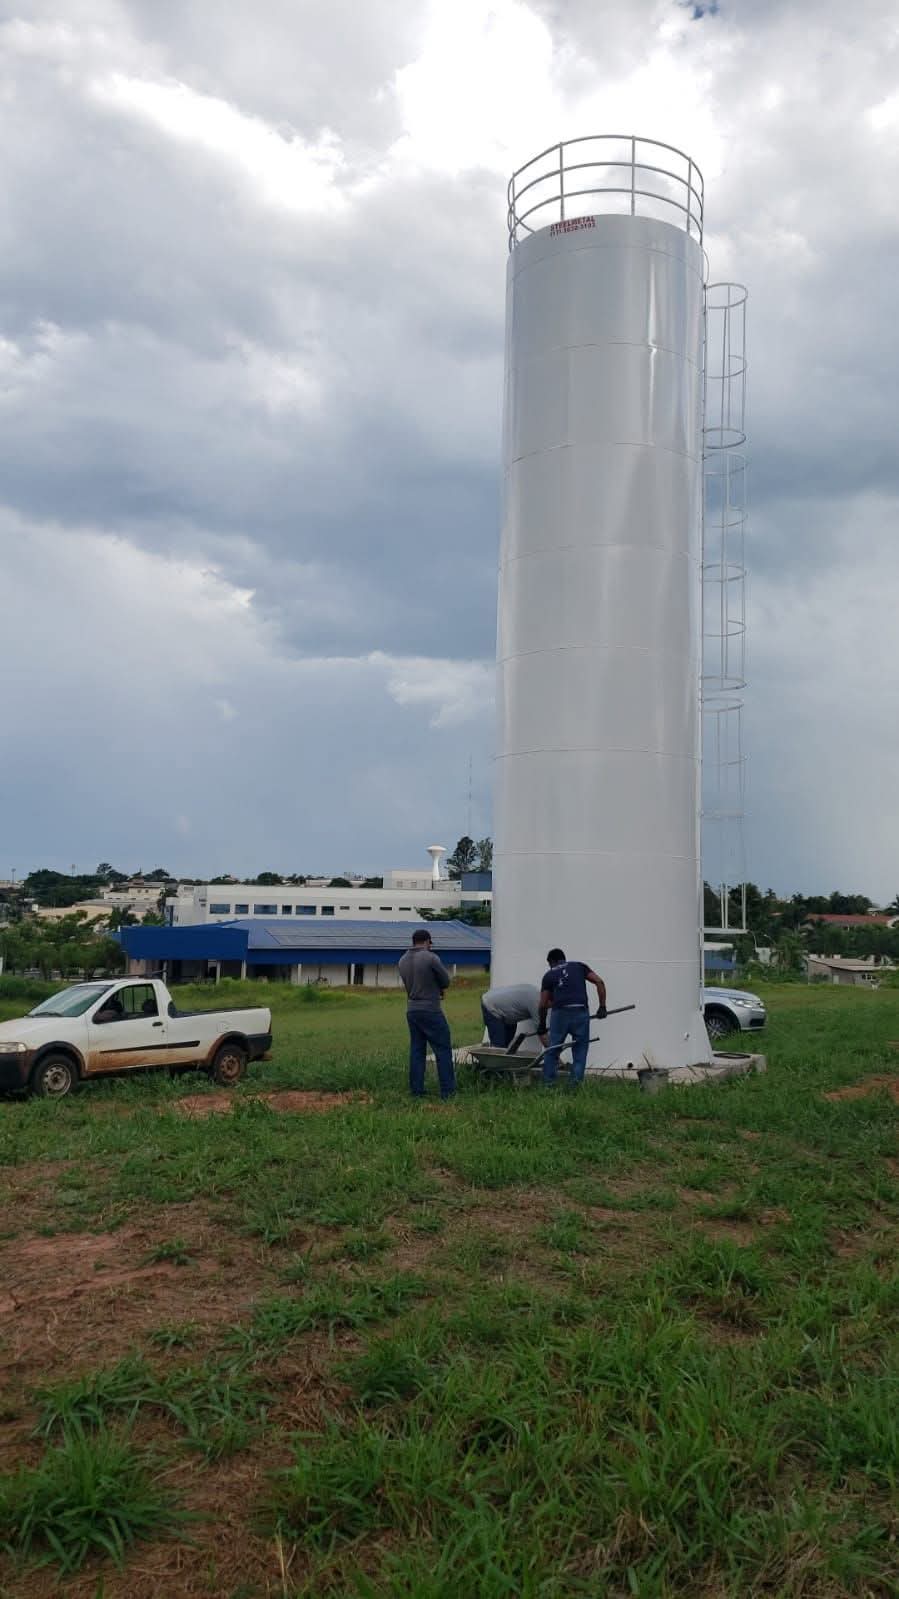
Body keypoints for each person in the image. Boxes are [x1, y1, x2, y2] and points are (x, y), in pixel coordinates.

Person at [398, 929, 456, 1101]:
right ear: (427, 941)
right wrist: (438, 989)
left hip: (412, 1010)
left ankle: (417, 1091)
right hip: (430, 1009)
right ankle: (447, 1092)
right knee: (443, 1050)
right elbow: (445, 981)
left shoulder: (402, 960)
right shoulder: (431, 957)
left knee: (417, 1050)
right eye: (430, 943)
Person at [538, 948, 607, 1086]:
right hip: (580, 1012)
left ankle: (548, 1085)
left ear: (552, 962)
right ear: (563, 958)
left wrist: (541, 1025)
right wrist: (602, 1007)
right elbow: (599, 982)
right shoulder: (579, 966)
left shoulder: (549, 975)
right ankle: (574, 1086)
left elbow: (543, 1004)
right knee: (580, 1051)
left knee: (552, 1049)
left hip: (560, 1014)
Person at [480, 982, 541, 1049]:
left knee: (507, 1046)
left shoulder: (536, 993)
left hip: (507, 1011)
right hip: (491, 1005)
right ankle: (495, 1057)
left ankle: (501, 1057)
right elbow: (542, 1031)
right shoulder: (536, 1002)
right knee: (498, 1046)